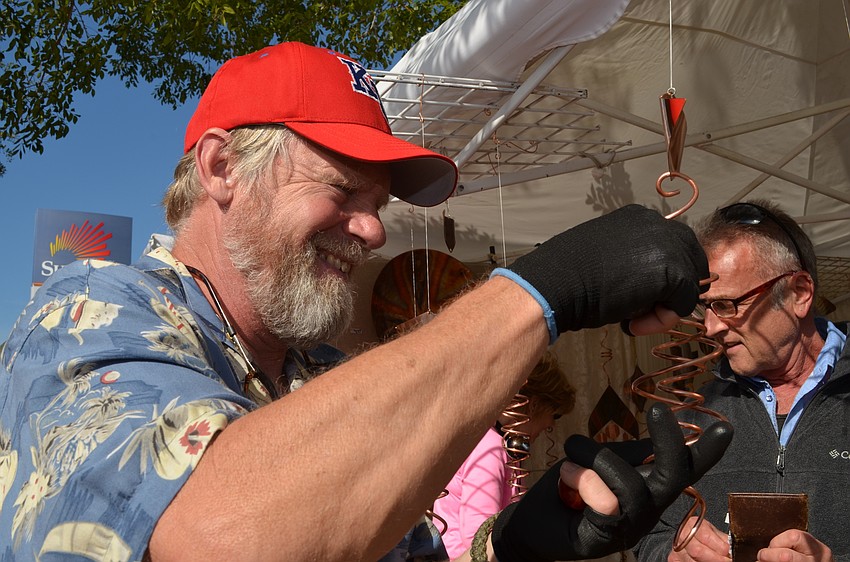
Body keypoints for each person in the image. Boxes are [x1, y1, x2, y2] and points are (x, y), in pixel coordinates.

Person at [0, 41, 730, 562]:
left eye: (377, 204)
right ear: (222, 168)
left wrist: (517, 543)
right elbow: (223, 537)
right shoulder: (86, 314)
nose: (373, 230)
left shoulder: (318, 373)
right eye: (342, 189)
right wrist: (539, 291)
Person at [633, 199, 850, 562]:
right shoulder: (699, 413)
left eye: (727, 305)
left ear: (798, 293)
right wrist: (671, 554)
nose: (710, 327)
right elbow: (650, 534)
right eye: (707, 307)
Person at [433, 350, 576, 559]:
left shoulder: (489, 441)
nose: (551, 425)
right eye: (555, 415)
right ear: (534, 404)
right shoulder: (490, 449)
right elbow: (480, 536)